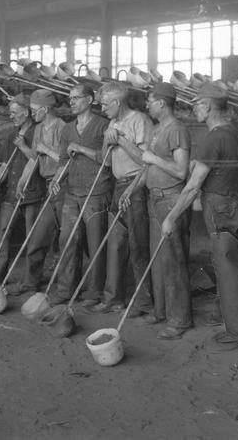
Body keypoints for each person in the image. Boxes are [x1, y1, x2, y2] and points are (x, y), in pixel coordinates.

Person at [162, 82, 238, 350]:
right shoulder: (237, 131)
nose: (194, 110)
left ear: (209, 106)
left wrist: (172, 217)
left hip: (220, 206)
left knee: (226, 269)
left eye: (197, 105)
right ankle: (224, 314)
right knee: (230, 263)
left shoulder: (214, 138)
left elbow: (192, 186)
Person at [120, 82, 192, 340]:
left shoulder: (178, 130)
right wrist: (132, 189)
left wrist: (153, 159)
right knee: (157, 260)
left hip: (172, 200)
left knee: (173, 261)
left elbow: (181, 171)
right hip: (153, 198)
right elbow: (147, 168)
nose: (147, 105)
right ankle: (160, 311)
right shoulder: (157, 129)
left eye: (150, 101)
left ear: (162, 103)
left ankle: (179, 319)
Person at [89, 81, 153, 316]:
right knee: (115, 245)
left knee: (138, 246)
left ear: (117, 102)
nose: (102, 108)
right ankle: (113, 298)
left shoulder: (140, 121)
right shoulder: (112, 123)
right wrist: (107, 140)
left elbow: (146, 160)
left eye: (105, 104)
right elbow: (105, 162)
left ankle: (143, 302)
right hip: (118, 186)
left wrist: (122, 141)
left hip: (136, 187)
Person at [49, 84, 112, 306]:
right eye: (70, 98)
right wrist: (57, 180)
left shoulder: (104, 126)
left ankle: (94, 293)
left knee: (95, 244)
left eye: (76, 98)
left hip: (96, 192)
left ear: (90, 99)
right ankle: (66, 289)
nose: (72, 102)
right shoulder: (67, 130)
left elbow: (109, 159)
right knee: (67, 241)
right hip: (72, 192)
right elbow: (63, 161)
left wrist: (82, 149)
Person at [6, 89, 67, 296]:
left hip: (64, 186)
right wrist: (23, 181)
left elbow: (67, 160)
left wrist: (47, 151)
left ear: (44, 109)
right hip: (49, 184)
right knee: (38, 236)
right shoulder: (40, 128)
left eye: (33, 110)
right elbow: (35, 157)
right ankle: (30, 283)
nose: (32, 114)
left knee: (69, 239)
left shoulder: (63, 128)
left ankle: (69, 287)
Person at [0, 93, 46, 288]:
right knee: (2, 235)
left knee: (33, 239)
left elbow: (37, 159)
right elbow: (5, 164)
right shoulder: (12, 134)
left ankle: (31, 281)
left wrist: (23, 146)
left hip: (33, 193)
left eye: (14, 113)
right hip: (11, 193)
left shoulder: (39, 132)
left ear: (26, 113)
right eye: (10, 113)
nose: (11, 116)